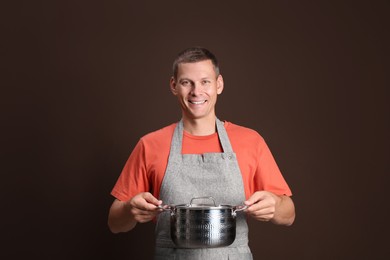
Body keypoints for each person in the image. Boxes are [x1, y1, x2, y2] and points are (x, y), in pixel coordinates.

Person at [108, 46, 295, 259]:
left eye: (205, 81)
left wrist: (275, 205)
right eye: (187, 82)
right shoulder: (150, 144)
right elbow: (115, 223)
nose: (196, 91)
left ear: (219, 84)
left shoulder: (251, 141)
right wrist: (129, 210)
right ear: (173, 86)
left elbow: (288, 215)